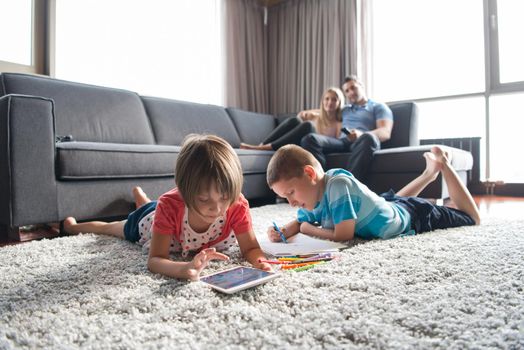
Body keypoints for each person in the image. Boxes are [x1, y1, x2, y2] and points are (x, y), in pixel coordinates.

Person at [61, 134, 271, 280]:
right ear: (185, 191)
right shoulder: (169, 205)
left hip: (163, 214)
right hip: (149, 221)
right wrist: (183, 268)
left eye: (224, 197)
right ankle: (73, 226)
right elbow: (155, 260)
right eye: (203, 200)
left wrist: (260, 261)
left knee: (152, 205)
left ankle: (141, 198)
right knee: (112, 228)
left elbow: (251, 248)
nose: (216, 208)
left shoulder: (237, 203)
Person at [265, 144, 480, 243]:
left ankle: (443, 164)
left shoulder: (338, 186)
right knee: (393, 202)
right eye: (285, 197)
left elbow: (343, 235)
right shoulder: (313, 197)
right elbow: (299, 220)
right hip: (388, 206)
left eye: (291, 193)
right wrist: (283, 231)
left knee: (472, 219)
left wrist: (306, 229)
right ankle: (428, 174)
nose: (291, 202)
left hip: (415, 217)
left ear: (310, 174)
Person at [299, 75, 394, 181]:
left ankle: (347, 184)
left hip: (362, 141)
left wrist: (360, 134)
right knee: (310, 139)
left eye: (353, 88)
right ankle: (321, 182)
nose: (351, 92)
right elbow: (326, 108)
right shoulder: (345, 109)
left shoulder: (378, 107)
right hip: (341, 142)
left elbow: (385, 132)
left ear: (361, 86)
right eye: (347, 91)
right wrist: (309, 113)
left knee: (369, 137)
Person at [239, 87, 345, 151]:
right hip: (298, 141)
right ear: (322, 101)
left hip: (314, 145)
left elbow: (336, 143)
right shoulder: (315, 116)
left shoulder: (338, 123)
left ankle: (263, 148)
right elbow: (301, 115)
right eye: (327, 99)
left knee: (308, 125)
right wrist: (318, 111)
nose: (330, 102)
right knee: (295, 120)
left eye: (334, 100)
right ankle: (261, 145)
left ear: (339, 103)